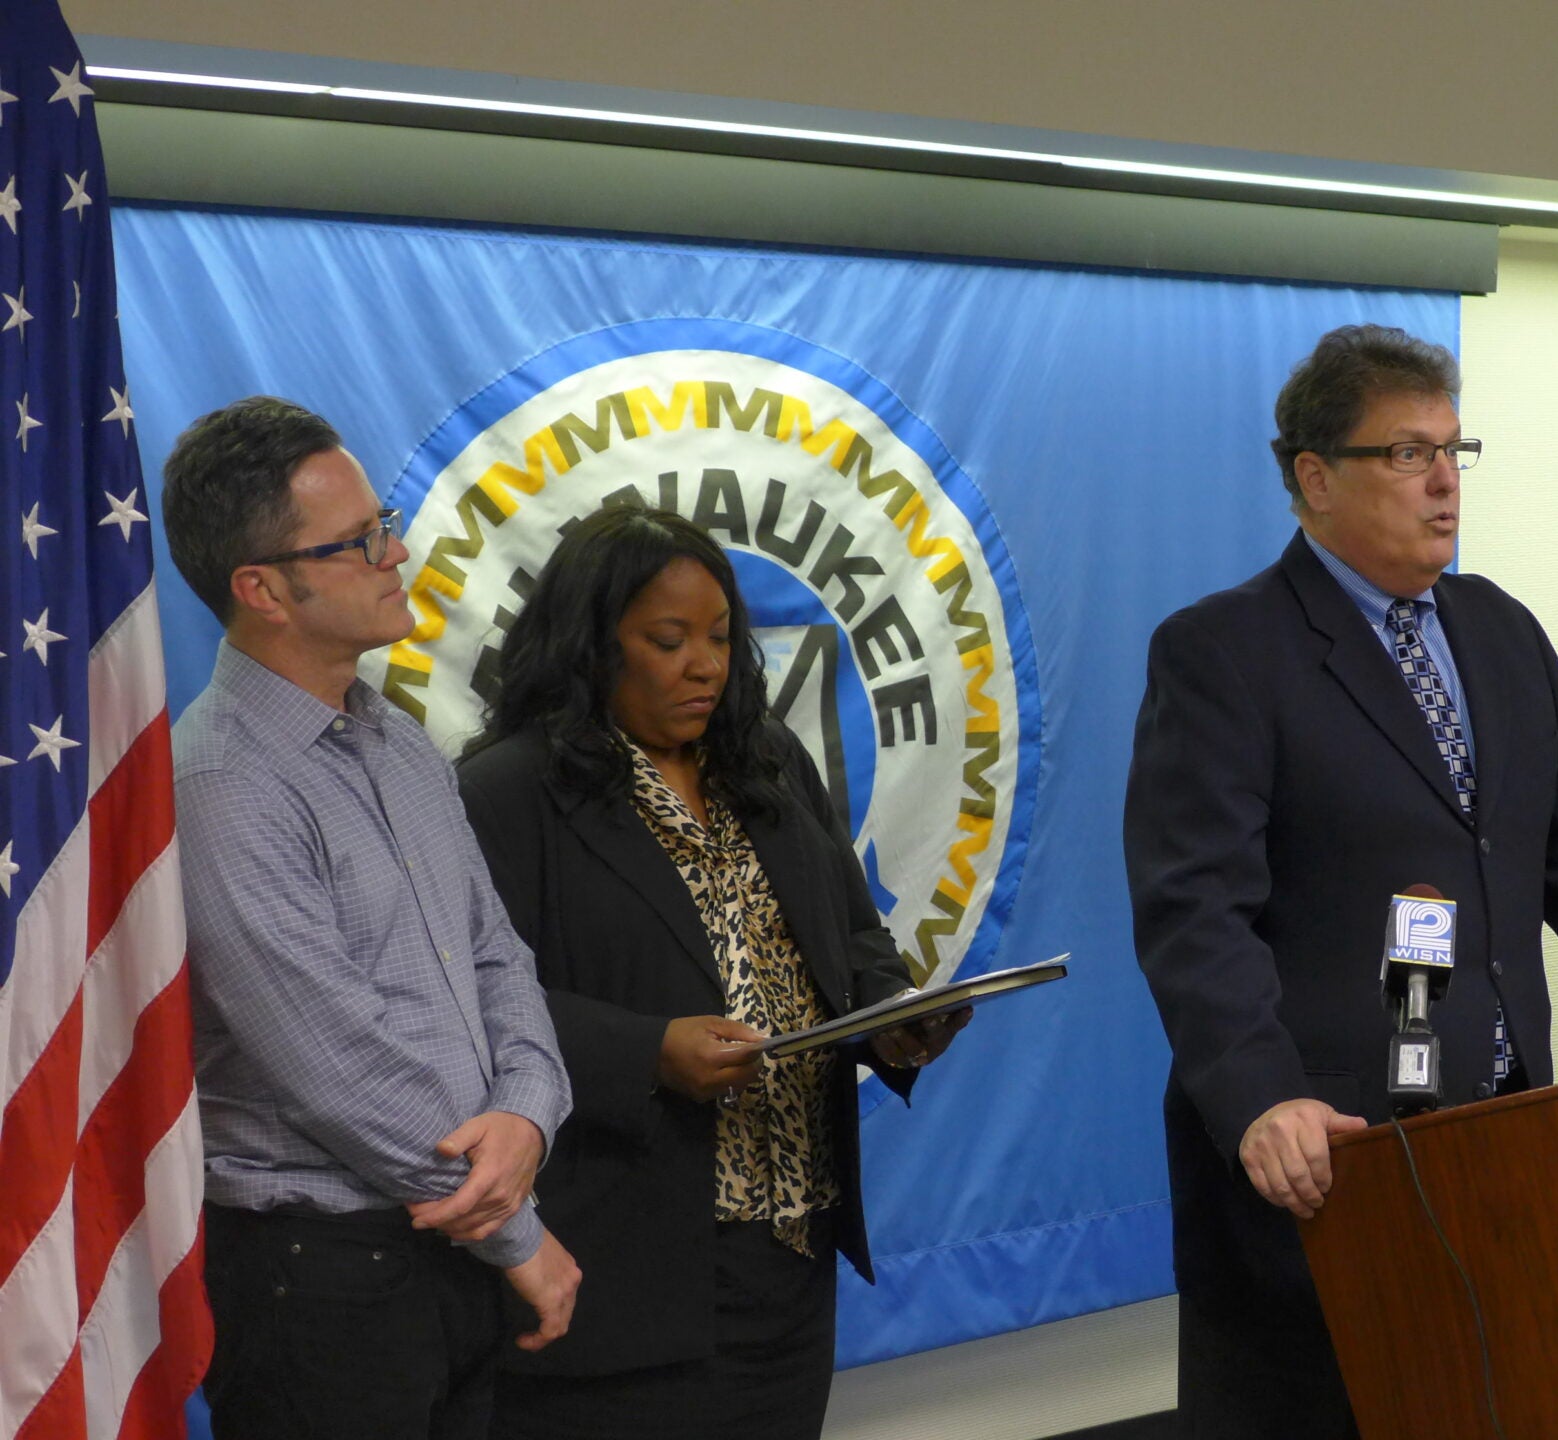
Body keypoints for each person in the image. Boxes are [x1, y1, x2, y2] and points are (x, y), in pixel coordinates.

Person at [1123, 324, 1558, 1436]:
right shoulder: (1225, 652)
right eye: (1408, 454)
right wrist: (1260, 1096)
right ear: (1315, 478)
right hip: (1331, 1157)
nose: (1445, 482)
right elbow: (1194, 911)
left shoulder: (1502, 631)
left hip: (1504, 1138)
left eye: (1454, 450)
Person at [454, 505, 967, 1439]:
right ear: (590, 646)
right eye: (669, 640)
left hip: (790, 1252)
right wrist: (647, 1051)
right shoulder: (507, 790)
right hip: (627, 1265)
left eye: (722, 637)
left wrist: (893, 1015)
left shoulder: (765, 760)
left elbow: (854, 938)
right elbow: (475, 1003)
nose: (706, 665)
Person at [163, 396, 581, 1440]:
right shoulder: (221, 781)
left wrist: (528, 1116)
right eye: (357, 542)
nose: (397, 553)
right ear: (262, 589)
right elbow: (340, 1070)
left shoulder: (397, 741)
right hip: (321, 1283)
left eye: (382, 523)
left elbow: (498, 958)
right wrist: (520, 1236)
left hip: (448, 1248)